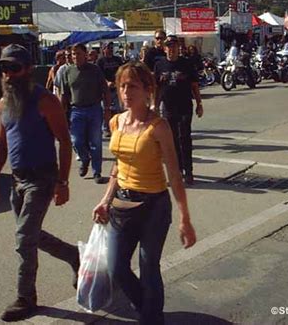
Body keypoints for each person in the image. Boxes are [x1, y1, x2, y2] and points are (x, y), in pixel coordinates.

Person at [92, 61, 196, 325]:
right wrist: (105, 200)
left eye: (133, 86)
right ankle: (149, 311)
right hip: (122, 205)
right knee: (116, 268)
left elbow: (174, 173)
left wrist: (185, 218)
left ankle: (151, 318)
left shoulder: (158, 126)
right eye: (122, 86)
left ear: (148, 89)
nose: (126, 92)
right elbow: (118, 166)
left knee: (149, 267)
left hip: (154, 207)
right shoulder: (116, 122)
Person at [0, 44, 79, 322]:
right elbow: (1, 143)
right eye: (4, 68)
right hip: (17, 179)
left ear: (27, 70)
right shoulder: (4, 103)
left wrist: (63, 182)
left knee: (24, 238)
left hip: (42, 178)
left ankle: (26, 298)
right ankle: (75, 256)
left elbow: (64, 141)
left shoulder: (45, 100)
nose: (8, 74)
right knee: (32, 234)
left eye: (14, 68)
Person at [155, 35, 203, 185]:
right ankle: (177, 171)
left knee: (185, 139)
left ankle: (188, 171)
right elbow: (156, 88)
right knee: (172, 141)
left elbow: (194, 85)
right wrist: (154, 106)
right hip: (168, 108)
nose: (172, 49)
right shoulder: (160, 65)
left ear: (178, 48)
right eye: (169, 46)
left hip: (184, 107)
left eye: (174, 46)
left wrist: (199, 104)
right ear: (165, 48)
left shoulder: (186, 64)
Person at [62, 43, 111, 184]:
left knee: (96, 142)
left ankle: (97, 172)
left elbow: (105, 90)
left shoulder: (95, 70)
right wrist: (62, 111)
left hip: (94, 109)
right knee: (76, 141)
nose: (75, 56)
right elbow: (64, 94)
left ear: (85, 54)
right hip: (76, 110)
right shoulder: (68, 71)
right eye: (73, 54)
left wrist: (107, 109)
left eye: (78, 53)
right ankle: (84, 159)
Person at [97, 41, 124, 137]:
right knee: (106, 109)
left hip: (117, 87)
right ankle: (106, 128)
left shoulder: (118, 60)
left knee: (119, 108)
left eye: (111, 48)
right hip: (105, 89)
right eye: (108, 48)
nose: (110, 50)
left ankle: (119, 127)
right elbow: (99, 75)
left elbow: (122, 71)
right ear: (104, 49)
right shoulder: (100, 61)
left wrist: (117, 82)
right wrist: (107, 82)